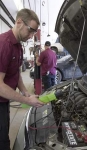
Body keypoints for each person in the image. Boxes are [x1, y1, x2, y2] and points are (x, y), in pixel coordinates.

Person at [0, 8, 44, 150]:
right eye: (30, 30)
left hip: (4, 100)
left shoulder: (18, 46)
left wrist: (25, 91)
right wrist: (26, 100)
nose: (32, 36)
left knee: (4, 132)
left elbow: (15, 73)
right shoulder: (4, 44)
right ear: (19, 22)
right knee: (2, 142)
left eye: (34, 32)